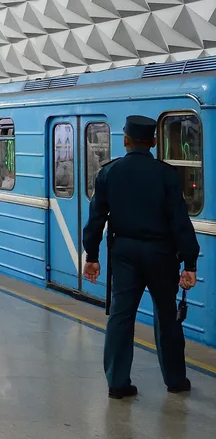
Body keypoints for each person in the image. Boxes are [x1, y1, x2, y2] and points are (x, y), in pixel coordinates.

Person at [82, 115, 199, 400]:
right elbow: (180, 221)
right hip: (161, 254)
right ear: (154, 142)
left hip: (124, 254)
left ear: (125, 140)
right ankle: (175, 380)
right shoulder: (167, 174)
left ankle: (118, 383)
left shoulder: (109, 173)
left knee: (121, 317)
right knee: (167, 316)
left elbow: (96, 218)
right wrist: (190, 263)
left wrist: (92, 255)